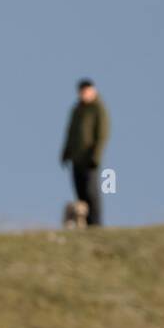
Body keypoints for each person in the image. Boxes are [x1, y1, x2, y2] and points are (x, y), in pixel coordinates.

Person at [60, 79, 109, 227]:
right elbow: (70, 133)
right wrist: (65, 153)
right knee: (80, 193)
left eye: (86, 90)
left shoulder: (98, 109)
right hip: (76, 158)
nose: (83, 94)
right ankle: (84, 225)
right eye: (81, 91)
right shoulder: (76, 110)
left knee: (91, 193)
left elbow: (102, 134)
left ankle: (96, 224)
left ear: (93, 90)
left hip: (90, 159)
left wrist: (96, 156)